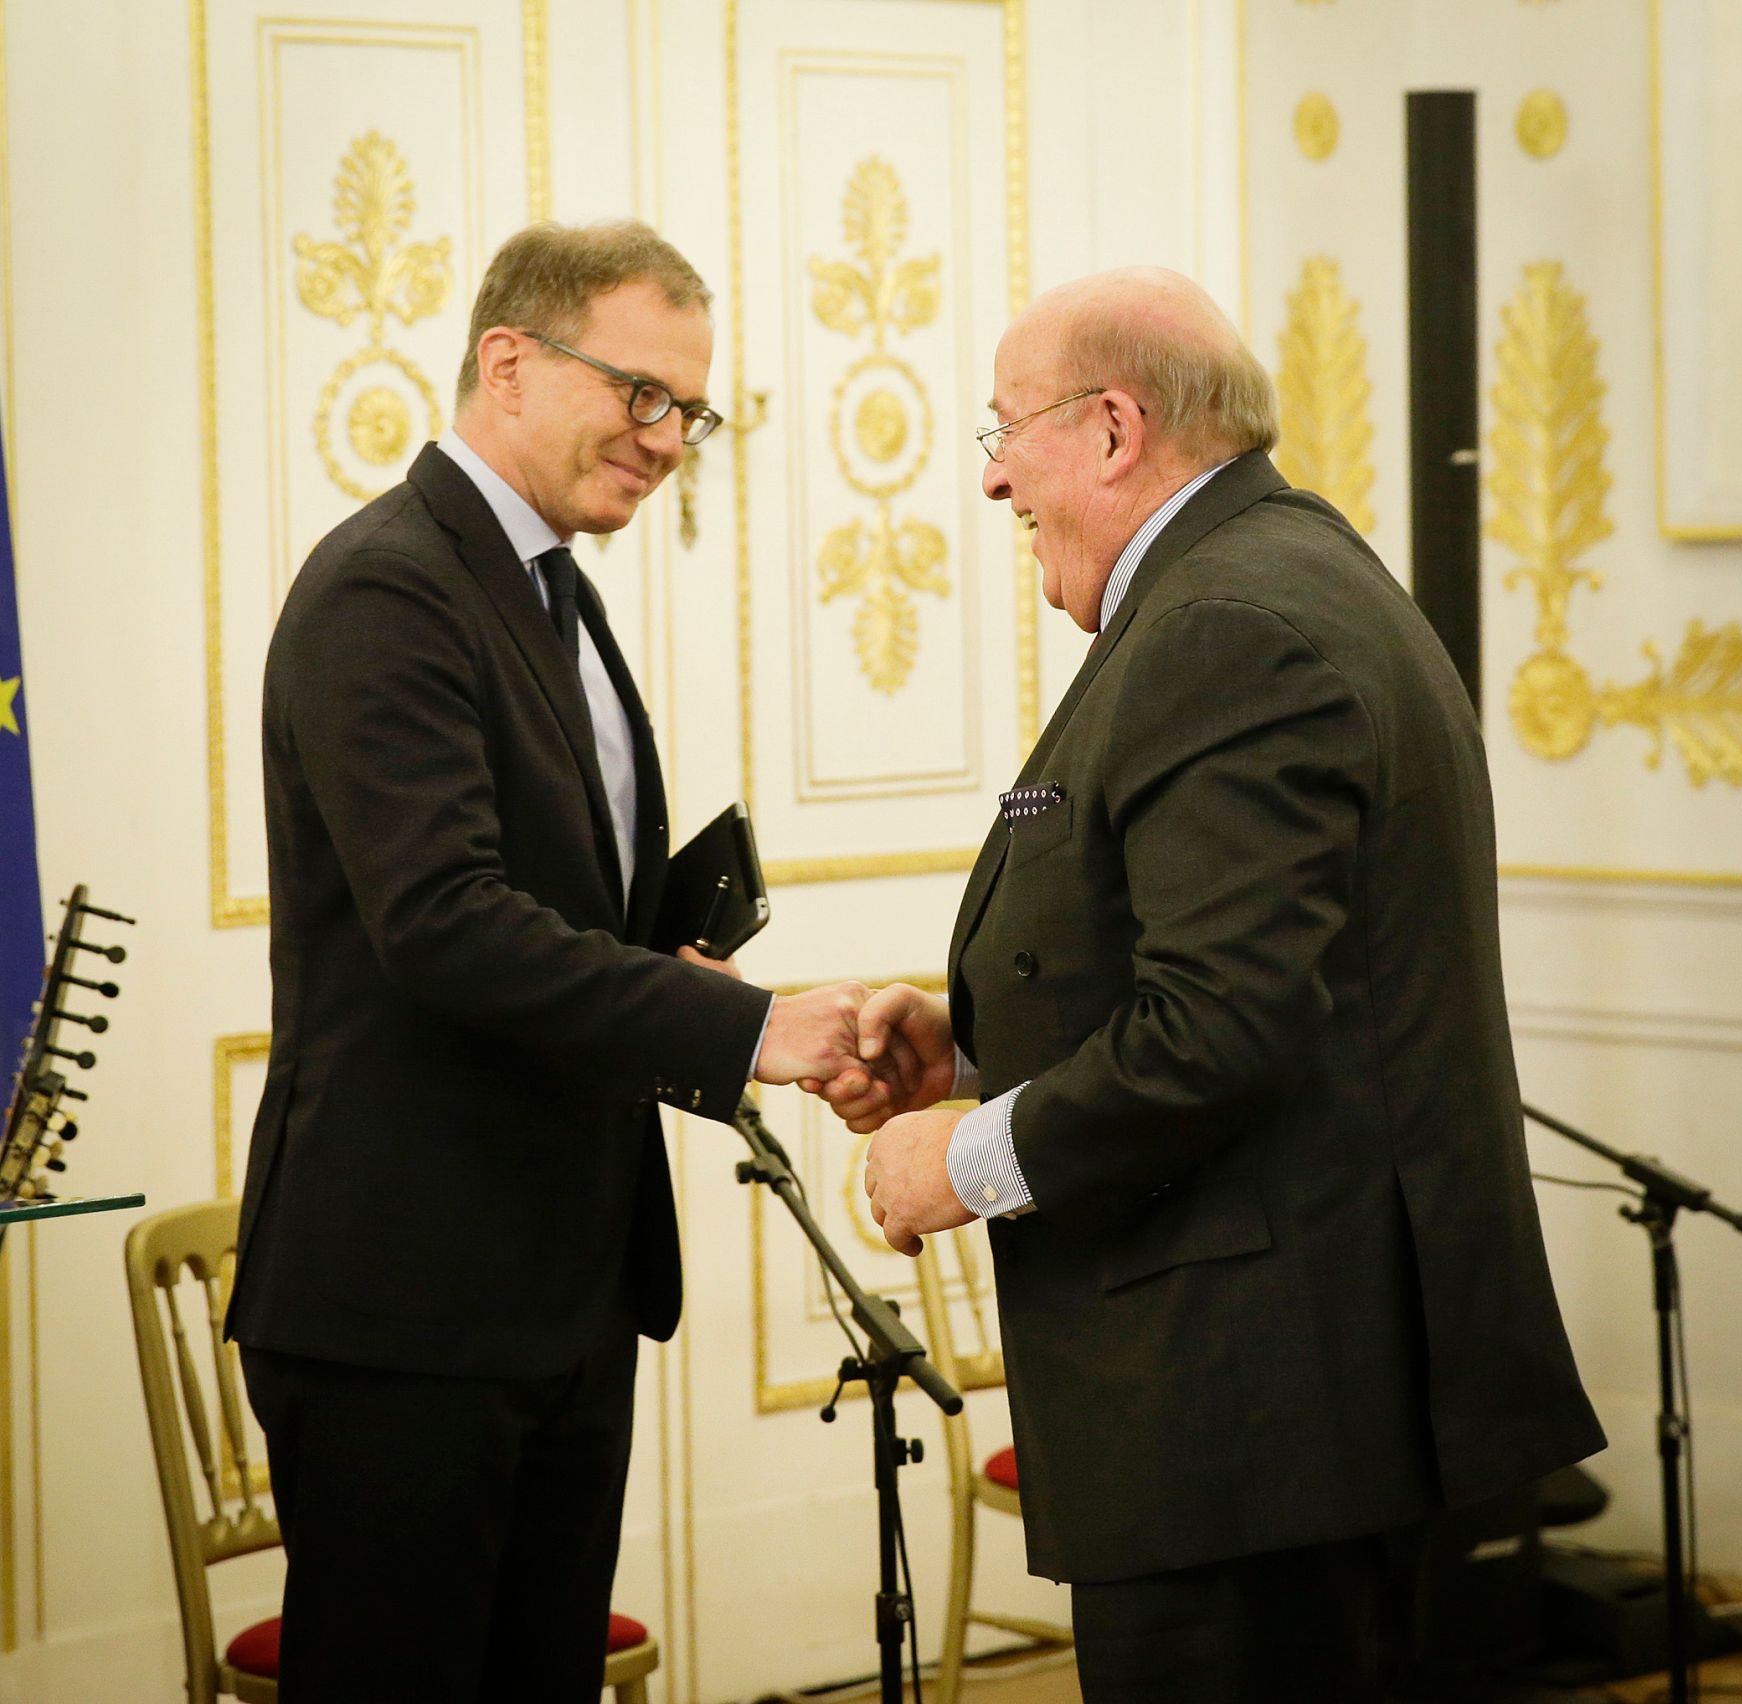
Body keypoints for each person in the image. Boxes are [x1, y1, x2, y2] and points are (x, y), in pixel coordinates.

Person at [824, 267, 1606, 1701]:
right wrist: (977, 1037)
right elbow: (1248, 966)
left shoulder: (1222, 625)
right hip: (1296, 1415)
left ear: (1115, 427)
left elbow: (1223, 1028)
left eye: (1007, 434)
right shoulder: (1281, 574)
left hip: (1254, 1424)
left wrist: (969, 1156)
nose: (995, 485)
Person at [228, 220, 874, 1703]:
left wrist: (678, 975)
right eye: (640, 394)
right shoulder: (384, 587)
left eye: (688, 412)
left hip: (565, 1285)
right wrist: (751, 1031)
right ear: (507, 362)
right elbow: (446, 926)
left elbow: (553, 923)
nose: (666, 441)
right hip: (409, 1305)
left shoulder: (555, 591)